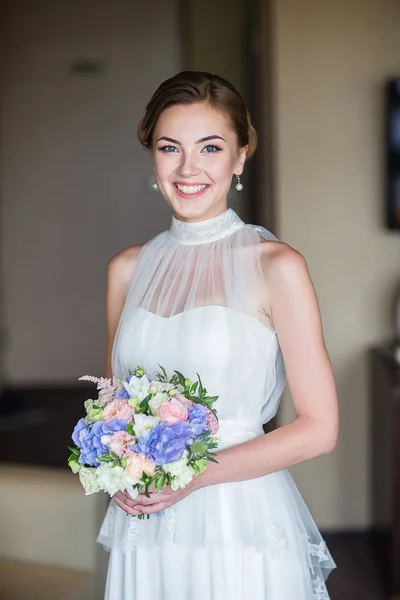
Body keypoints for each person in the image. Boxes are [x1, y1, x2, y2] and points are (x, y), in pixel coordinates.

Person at [97, 71, 338, 600]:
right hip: (149, 522)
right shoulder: (125, 270)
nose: (188, 169)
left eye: (210, 147)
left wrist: (194, 477)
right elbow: (114, 403)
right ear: (153, 157)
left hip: (239, 518)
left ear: (241, 156)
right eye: (170, 148)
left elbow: (319, 429)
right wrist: (114, 465)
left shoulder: (277, 266)